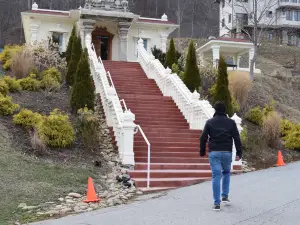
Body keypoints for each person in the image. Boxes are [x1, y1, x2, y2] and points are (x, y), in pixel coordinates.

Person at [200, 101, 242, 211]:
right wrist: (239, 152)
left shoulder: (210, 122)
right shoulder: (231, 122)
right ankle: (225, 196)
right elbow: (236, 138)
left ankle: (217, 203)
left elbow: (203, 137)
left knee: (216, 176)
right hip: (227, 152)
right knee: (226, 173)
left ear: (215, 110)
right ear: (225, 110)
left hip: (214, 152)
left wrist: (202, 151)